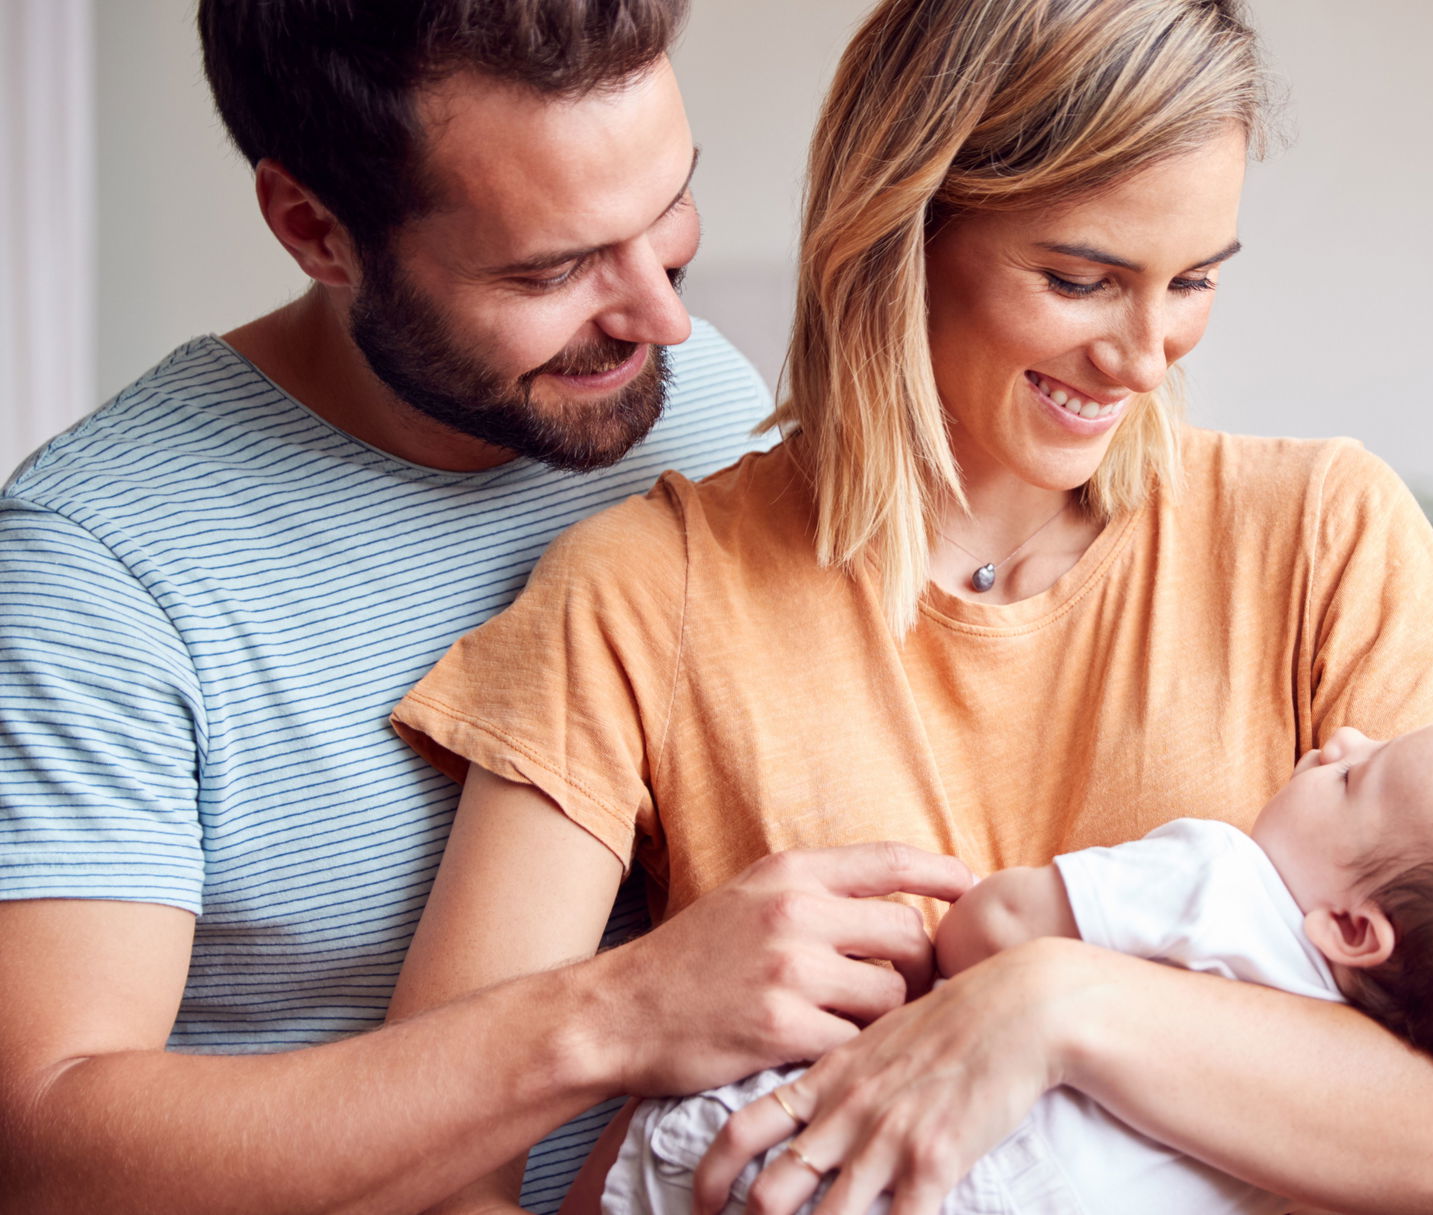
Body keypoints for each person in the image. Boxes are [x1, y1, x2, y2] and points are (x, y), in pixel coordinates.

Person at [388, 1, 1433, 1212]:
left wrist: (1051, 1006)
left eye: (1192, 281)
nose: (1145, 355)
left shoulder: (1325, 535)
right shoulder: (646, 595)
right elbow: (434, 1159)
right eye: (1079, 279)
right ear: (899, 229)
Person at [0, 4, 974, 1214]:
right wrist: (618, 1016)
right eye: (552, 268)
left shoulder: (688, 405)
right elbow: (44, 1152)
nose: (662, 315)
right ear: (316, 229)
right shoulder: (99, 573)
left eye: (666, 208)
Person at [600, 720, 1433, 1215]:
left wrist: (973, 938)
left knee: (673, 1143)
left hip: (836, 1167)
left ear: (1351, 926)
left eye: (1359, 776)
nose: (1338, 736)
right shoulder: (1362, 1066)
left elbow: (994, 928)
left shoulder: (1220, 883)